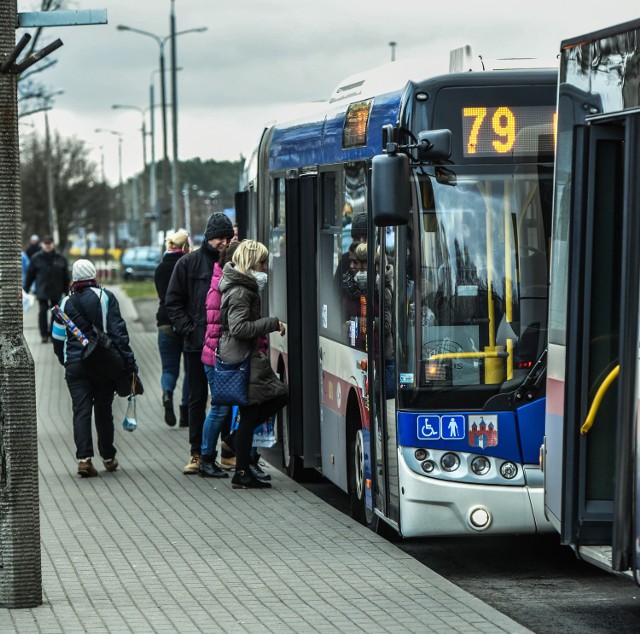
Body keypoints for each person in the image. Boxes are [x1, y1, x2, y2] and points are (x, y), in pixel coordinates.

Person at [51, 259, 139, 477]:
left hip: (75, 365)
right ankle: (108, 457)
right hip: (102, 363)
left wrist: (67, 361)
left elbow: (57, 338)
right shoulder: (105, 298)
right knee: (103, 409)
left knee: (80, 410)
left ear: (74, 278)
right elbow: (118, 335)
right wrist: (129, 364)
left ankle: (84, 459)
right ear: (94, 275)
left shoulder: (63, 304)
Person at [165, 212, 234, 475]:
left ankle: (227, 451)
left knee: (227, 397)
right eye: (219, 237)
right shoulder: (188, 264)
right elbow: (173, 303)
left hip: (226, 345)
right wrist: (190, 331)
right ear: (208, 237)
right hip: (196, 344)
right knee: (197, 398)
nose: (224, 242)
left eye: (227, 237)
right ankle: (197, 453)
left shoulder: (231, 262)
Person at [218, 240, 287, 489]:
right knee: (257, 408)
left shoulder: (242, 287)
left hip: (245, 355)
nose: (265, 268)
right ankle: (241, 470)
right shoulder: (240, 291)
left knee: (274, 398)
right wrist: (271, 323)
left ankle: (238, 451)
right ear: (251, 263)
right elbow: (239, 328)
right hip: (242, 357)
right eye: (262, 262)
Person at [154, 229, 190, 427]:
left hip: (165, 322)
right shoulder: (186, 264)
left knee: (169, 369)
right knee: (189, 371)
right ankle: (185, 413)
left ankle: (167, 394)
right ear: (185, 246)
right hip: (185, 323)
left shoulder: (160, 268)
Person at [24, 235, 70, 343]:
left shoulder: (61, 259)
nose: (48, 245)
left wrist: (67, 292)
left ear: (53, 244)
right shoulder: (36, 258)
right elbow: (30, 275)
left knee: (56, 314)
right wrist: (25, 290)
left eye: (49, 243)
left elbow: (66, 277)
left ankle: (53, 334)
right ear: (42, 244)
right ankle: (44, 335)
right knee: (42, 312)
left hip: (56, 291)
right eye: (46, 243)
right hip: (42, 291)